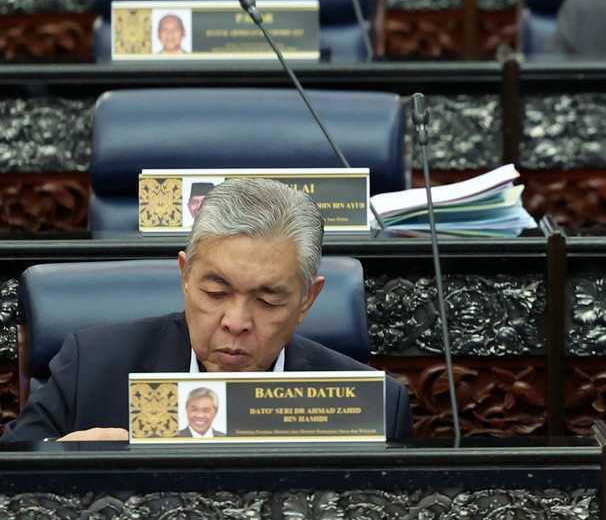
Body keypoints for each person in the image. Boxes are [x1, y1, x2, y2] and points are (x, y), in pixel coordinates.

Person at [2, 178, 412, 442]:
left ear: (308, 299)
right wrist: (58, 464)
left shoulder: (373, 405)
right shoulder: (91, 368)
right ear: (185, 275)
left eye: (268, 301)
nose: (236, 322)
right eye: (216, 292)